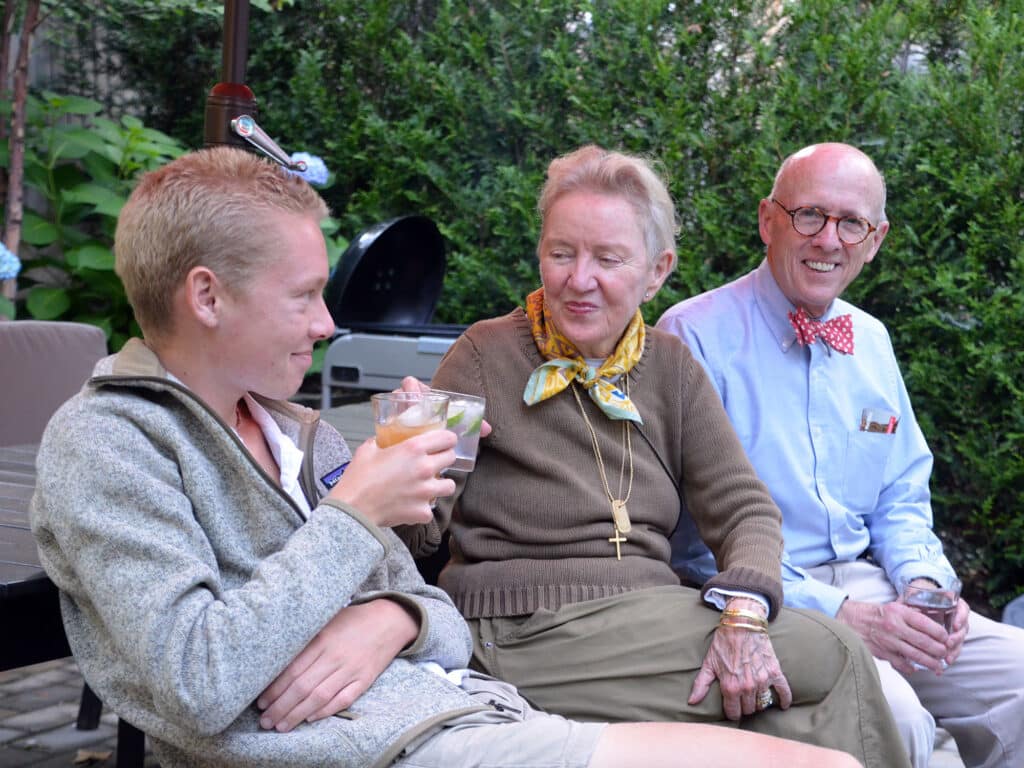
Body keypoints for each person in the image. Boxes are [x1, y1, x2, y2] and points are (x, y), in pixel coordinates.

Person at [28, 146, 862, 768]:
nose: (327, 325)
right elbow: (203, 675)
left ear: (655, 272)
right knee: (824, 698)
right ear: (207, 296)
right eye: (306, 297)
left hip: (455, 704)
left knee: (822, 730)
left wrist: (395, 615)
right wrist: (373, 505)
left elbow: (424, 602)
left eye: (607, 259)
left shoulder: (300, 433)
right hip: (440, 709)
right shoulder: (110, 443)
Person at [397, 144, 908, 768]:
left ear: (656, 271)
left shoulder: (669, 366)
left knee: (801, 710)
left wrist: (745, 611)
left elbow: (744, 507)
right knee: (835, 655)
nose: (578, 279)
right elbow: (414, 539)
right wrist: (412, 451)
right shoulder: (484, 354)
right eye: (562, 253)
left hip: (649, 619)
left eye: (608, 259)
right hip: (524, 627)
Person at [657, 141, 1024, 768]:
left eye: (850, 223)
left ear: (874, 239)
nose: (829, 239)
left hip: (873, 583)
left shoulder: (872, 341)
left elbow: (901, 497)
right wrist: (846, 613)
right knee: (894, 717)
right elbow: (692, 545)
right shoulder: (692, 335)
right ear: (768, 220)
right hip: (762, 600)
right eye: (810, 216)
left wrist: (925, 585)